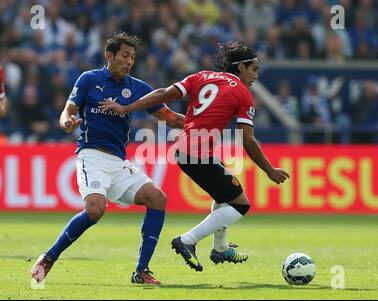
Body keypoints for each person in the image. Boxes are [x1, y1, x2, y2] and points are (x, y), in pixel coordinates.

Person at [99, 41, 290, 272]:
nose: (256, 75)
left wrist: (126, 107)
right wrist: (269, 170)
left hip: (184, 150)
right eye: (254, 69)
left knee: (224, 193)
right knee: (241, 204)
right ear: (240, 67)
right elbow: (248, 140)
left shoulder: (201, 76)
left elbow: (162, 94)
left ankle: (220, 248)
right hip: (198, 154)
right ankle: (187, 240)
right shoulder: (243, 94)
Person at [31, 32, 185, 284]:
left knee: (157, 198)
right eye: (125, 56)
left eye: (133, 58)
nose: (129, 62)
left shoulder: (137, 88)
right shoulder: (89, 79)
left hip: (118, 162)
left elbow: (168, 116)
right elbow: (66, 113)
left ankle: (141, 271)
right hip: (92, 155)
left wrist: (194, 122)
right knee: (95, 210)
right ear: (109, 55)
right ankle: (48, 258)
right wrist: (67, 122)